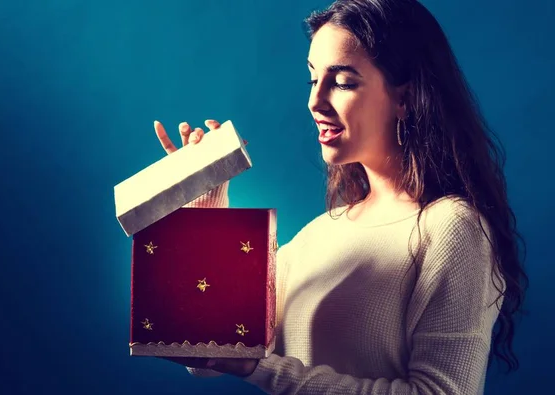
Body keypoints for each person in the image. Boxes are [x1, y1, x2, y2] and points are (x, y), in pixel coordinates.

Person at [152, 0, 528, 393]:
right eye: (313, 78)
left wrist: (261, 369)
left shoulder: (451, 227)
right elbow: (209, 353)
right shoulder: (318, 235)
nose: (315, 101)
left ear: (405, 98)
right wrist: (206, 210)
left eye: (343, 81)